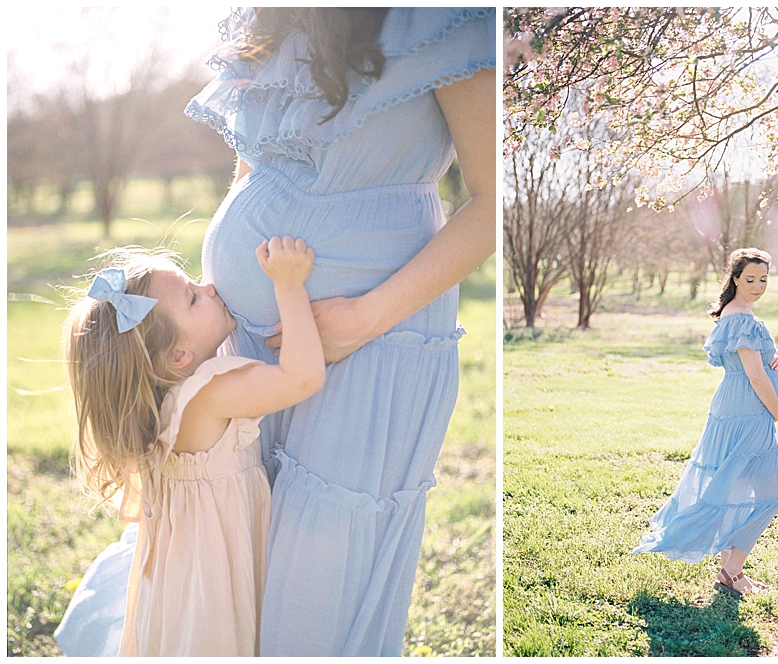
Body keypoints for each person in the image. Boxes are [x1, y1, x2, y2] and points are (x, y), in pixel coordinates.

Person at [186, 7, 496, 655]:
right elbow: (255, 168)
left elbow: (494, 203)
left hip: (376, 335)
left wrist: (365, 317)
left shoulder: (445, 20)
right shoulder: (278, 18)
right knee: (246, 540)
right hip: (248, 334)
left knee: (325, 570)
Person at [62, 238, 325, 655]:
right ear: (180, 355)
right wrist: (289, 285)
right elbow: (304, 377)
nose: (210, 289)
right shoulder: (209, 393)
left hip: (184, 581)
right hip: (217, 578)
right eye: (193, 297)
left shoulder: (161, 406)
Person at [633, 248, 778, 598]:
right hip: (748, 413)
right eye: (750, 279)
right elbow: (752, 374)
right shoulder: (744, 320)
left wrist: (771, 360)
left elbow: (750, 364)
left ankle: (730, 571)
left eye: (763, 279)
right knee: (771, 495)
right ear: (735, 279)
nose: (758, 286)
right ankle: (732, 572)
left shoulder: (734, 315)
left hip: (731, 408)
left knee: (729, 487)